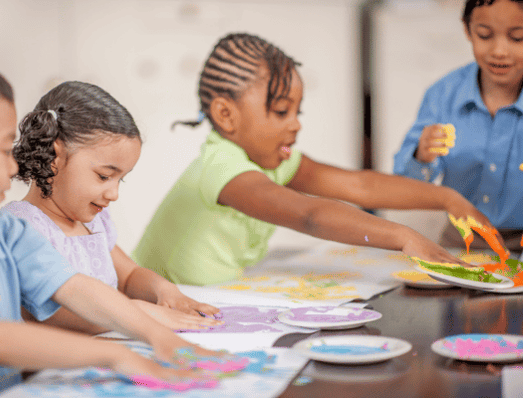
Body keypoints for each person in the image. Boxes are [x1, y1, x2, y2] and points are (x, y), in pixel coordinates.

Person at [0, 44, 228, 398]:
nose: (13, 166)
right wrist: (115, 354)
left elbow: (75, 286)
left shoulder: (0, 229)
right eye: (5, 150)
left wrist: (157, 336)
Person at [132, 32, 496, 286]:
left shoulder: (274, 159)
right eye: (280, 111)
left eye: (297, 111)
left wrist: (447, 199)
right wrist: (404, 236)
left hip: (214, 297)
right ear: (226, 115)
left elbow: (360, 185)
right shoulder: (223, 168)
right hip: (159, 303)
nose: (295, 125)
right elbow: (309, 216)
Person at [2, 81, 221, 335]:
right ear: (54, 157)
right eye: (104, 176)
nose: (114, 194)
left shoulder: (94, 223)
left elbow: (129, 277)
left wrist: (165, 291)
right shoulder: (20, 226)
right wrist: (138, 312)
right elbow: (53, 315)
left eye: (121, 179)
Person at [393, 0, 523, 252]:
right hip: (462, 241)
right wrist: (421, 157)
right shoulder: (443, 95)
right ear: (467, 29)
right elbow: (402, 184)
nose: (499, 50)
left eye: (517, 38)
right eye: (484, 35)